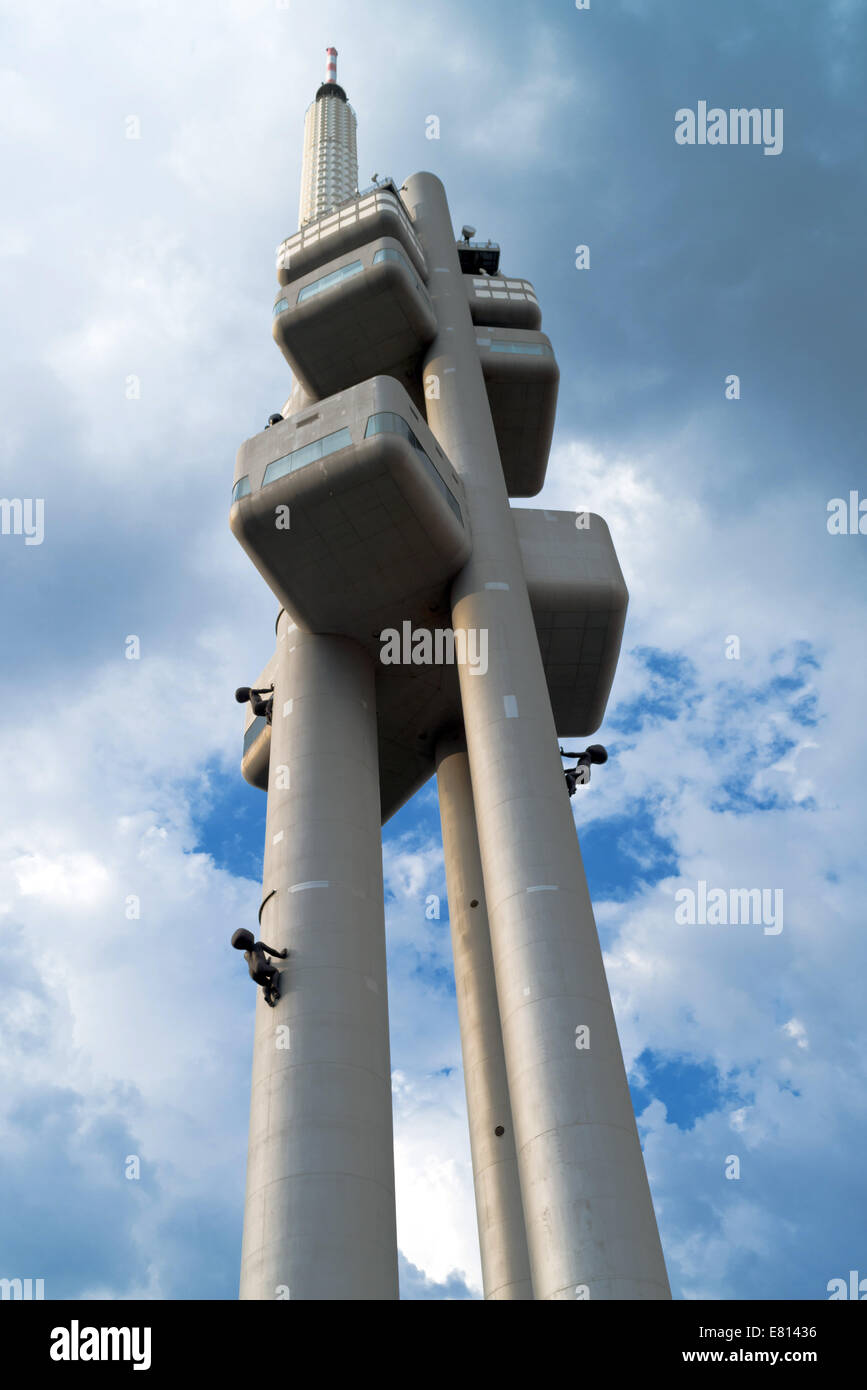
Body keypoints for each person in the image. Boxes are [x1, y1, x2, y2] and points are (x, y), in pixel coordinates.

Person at [231, 928, 288, 1008]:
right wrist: (281, 955)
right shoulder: (258, 944)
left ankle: (268, 997)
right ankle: (275, 987)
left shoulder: (245, 955)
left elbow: (254, 961)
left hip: (252, 973)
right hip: (260, 966)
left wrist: (266, 963)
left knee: (266, 984)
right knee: (275, 972)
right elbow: (272, 952)